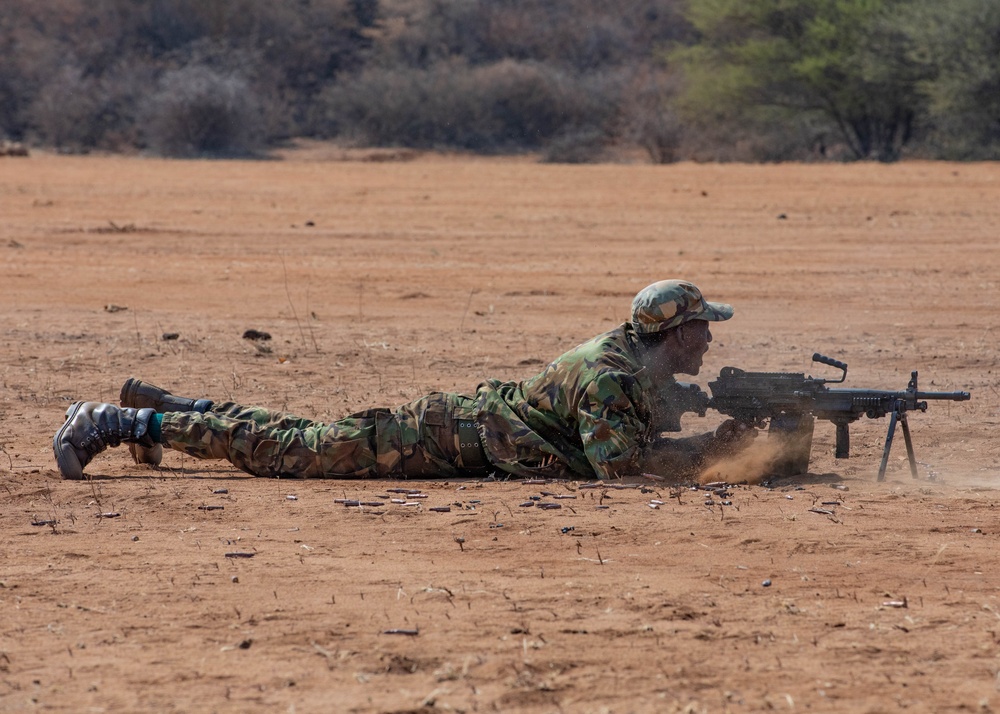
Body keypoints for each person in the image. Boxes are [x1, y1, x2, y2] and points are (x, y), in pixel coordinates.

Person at [53, 279, 755, 482]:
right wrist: (720, 451)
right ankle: (120, 424)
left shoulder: (631, 359)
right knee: (290, 452)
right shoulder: (609, 377)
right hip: (441, 439)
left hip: (463, 427)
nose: (710, 338)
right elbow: (621, 468)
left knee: (297, 432)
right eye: (702, 328)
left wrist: (710, 412)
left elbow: (638, 412)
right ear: (674, 334)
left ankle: (172, 408)